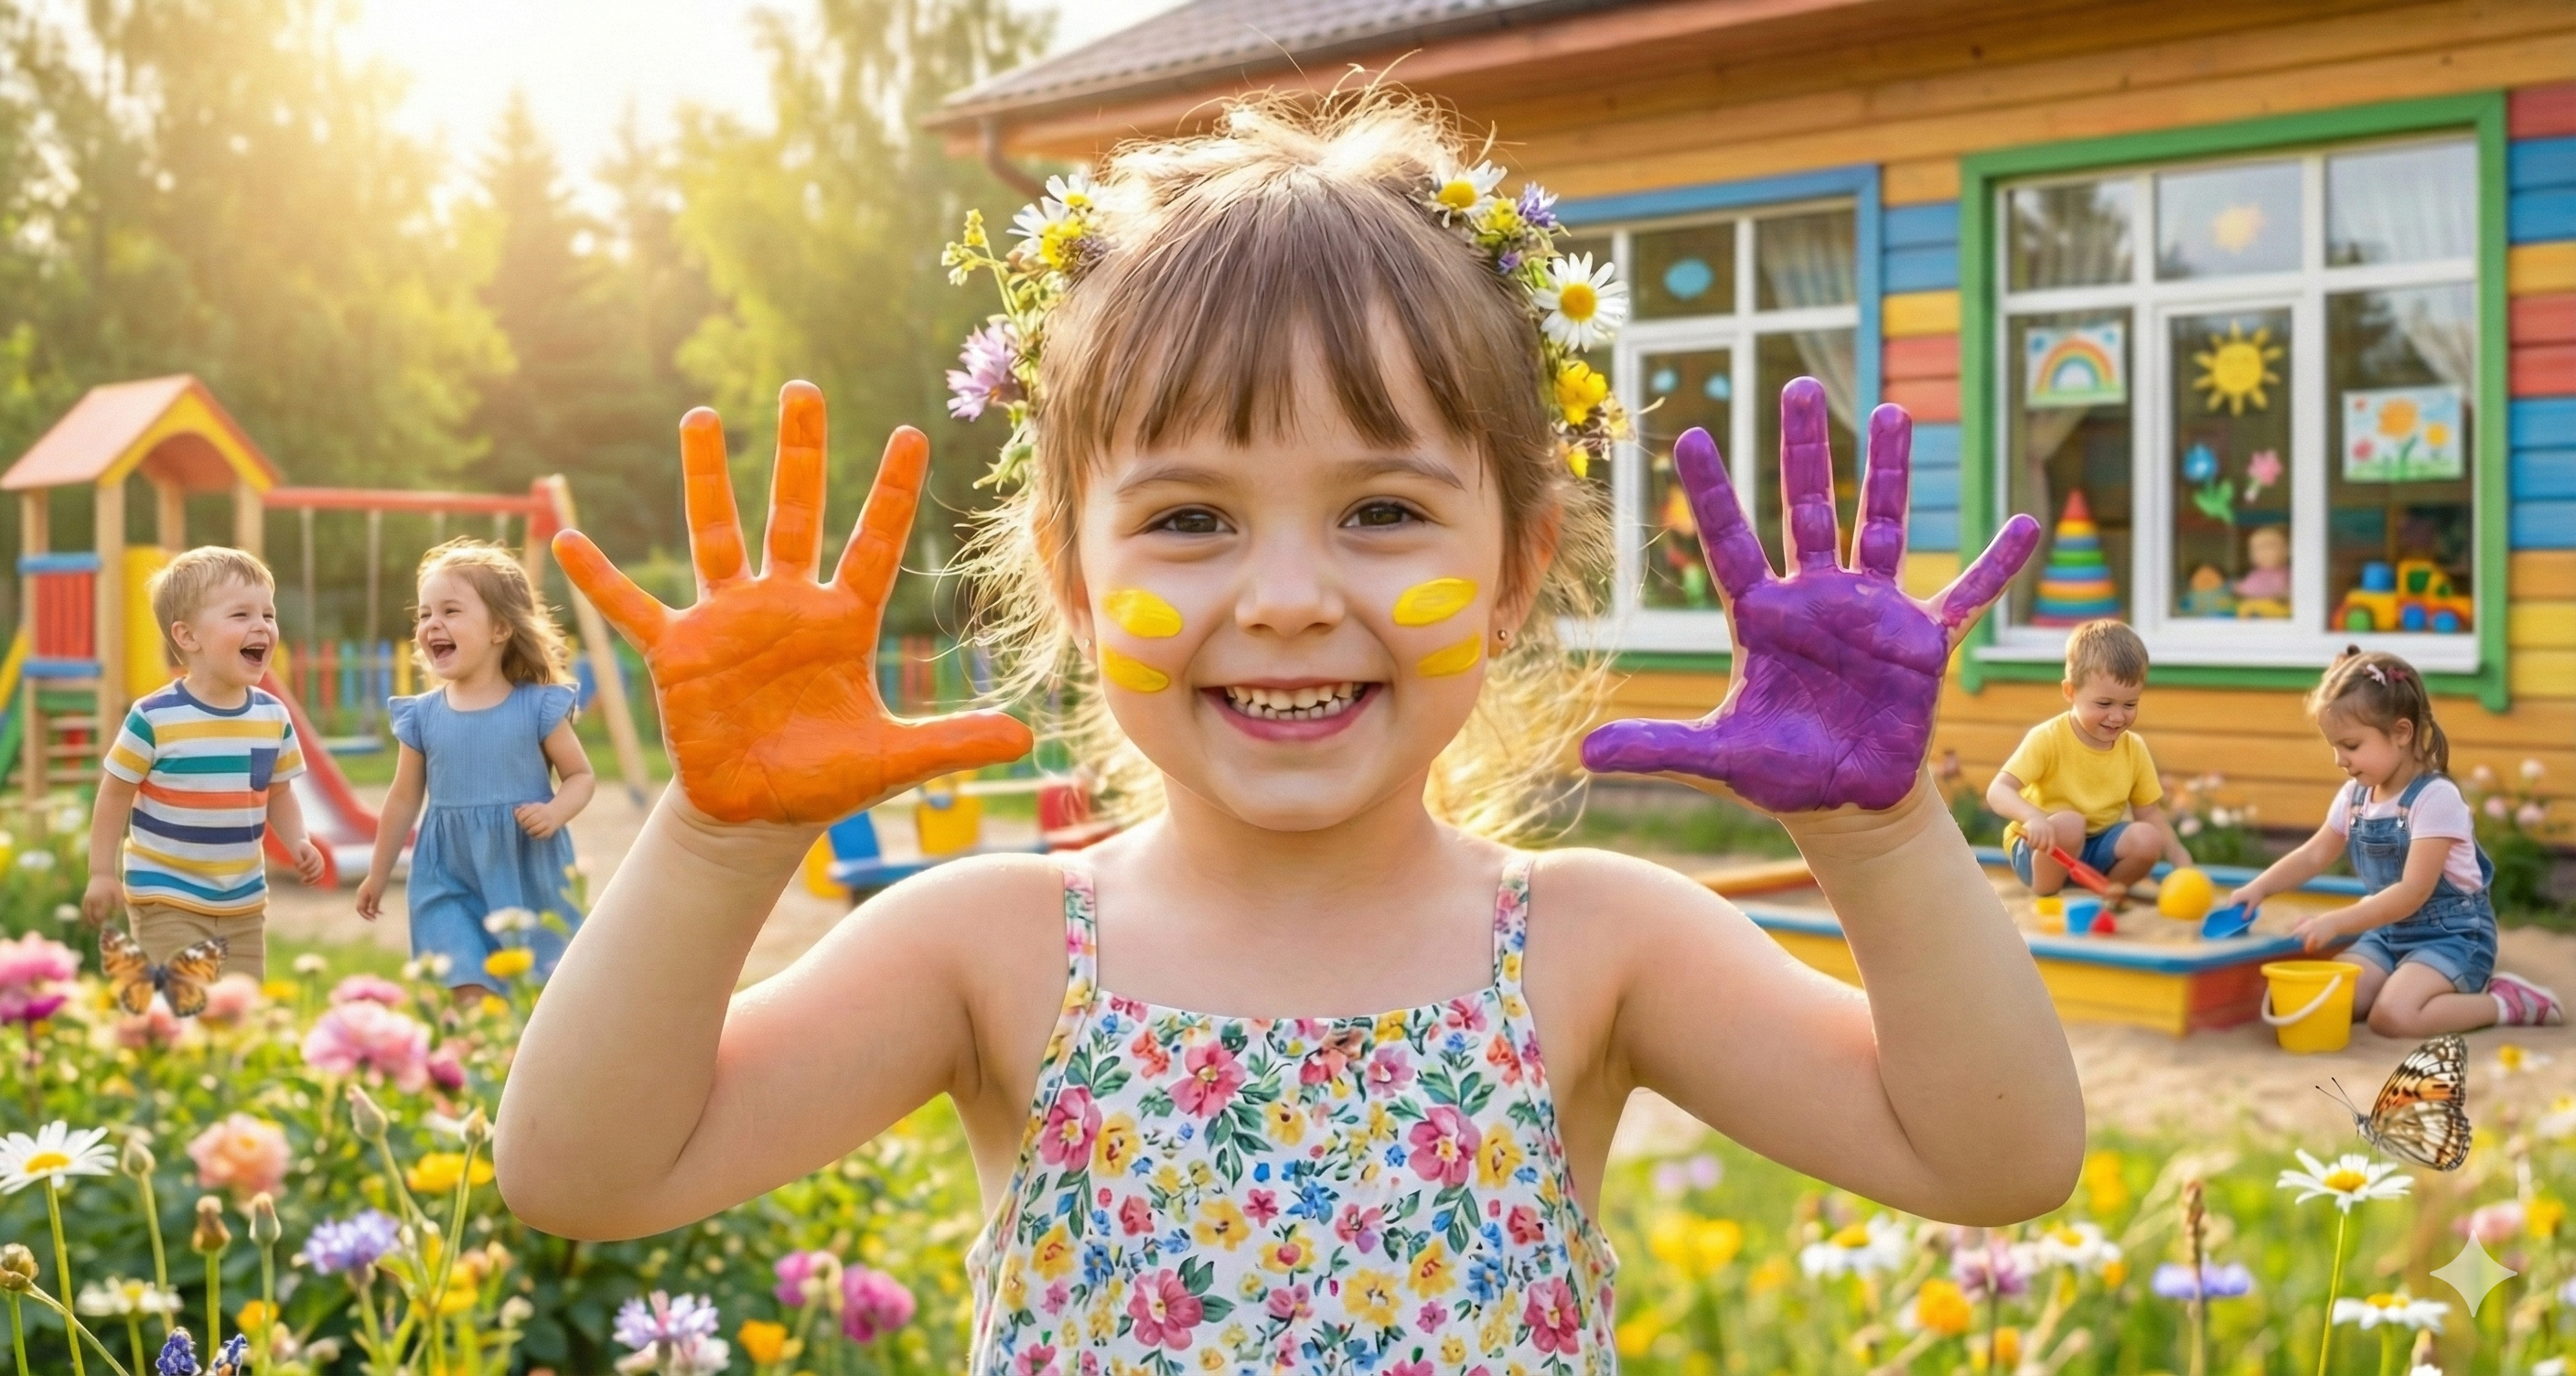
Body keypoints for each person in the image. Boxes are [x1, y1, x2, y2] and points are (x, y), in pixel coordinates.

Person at [498, 95, 2083, 1373]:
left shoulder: (1598, 943)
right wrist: (716, 841)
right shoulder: (993, 948)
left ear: (1518, 566)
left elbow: (1992, 1157)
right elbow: (587, 1167)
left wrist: (1878, 835)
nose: (1286, 596)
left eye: (1383, 509)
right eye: (1189, 517)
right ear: (1069, 575)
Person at [2228, 648, 2560, 1033]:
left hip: (2452, 937)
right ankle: (2406, 984)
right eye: (2334, 746)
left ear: (2402, 732)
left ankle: (2506, 1003)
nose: (2340, 759)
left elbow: (2413, 892)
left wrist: (2337, 921)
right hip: (2387, 933)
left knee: (2393, 1018)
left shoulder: (2435, 798)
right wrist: (2259, 888)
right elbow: (2313, 854)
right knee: (2335, 1000)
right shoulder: (2355, 796)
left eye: (2350, 746)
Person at [357, 539, 594, 1003]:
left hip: (526, 868)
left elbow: (580, 776)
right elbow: (403, 799)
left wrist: (555, 812)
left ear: (501, 628)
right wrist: (378, 873)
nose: (432, 624)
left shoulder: (537, 707)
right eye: (424, 614)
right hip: (447, 875)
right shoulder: (421, 716)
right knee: (465, 979)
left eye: (450, 610)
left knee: (541, 994)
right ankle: (473, 1063)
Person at [83, 547, 326, 978]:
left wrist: (298, 841)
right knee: (183, 1006)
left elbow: (278, 792)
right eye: (241, 616)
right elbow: (115, 794)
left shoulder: (273, 716)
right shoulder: (154, 717)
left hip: (244, 903)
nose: (262, 627)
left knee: (241, 1015)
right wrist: (102, 872)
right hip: (166, 898)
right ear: (188, 636)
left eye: (268, 615)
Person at [1986, 619, 2192, 906]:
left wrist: (2178, 854)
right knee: (2070, 824)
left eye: (2130, 704)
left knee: (2147, 838)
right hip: (2043, 850)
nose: (2118, 717)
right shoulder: (2048, 738)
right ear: (2070, 692)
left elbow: (2150, 815)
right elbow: (1998, 791)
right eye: (2105, 704)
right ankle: (2047, 896)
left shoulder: (2134, 749)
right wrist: (2033, 818)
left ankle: (2105, 892)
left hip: (2097, 849)